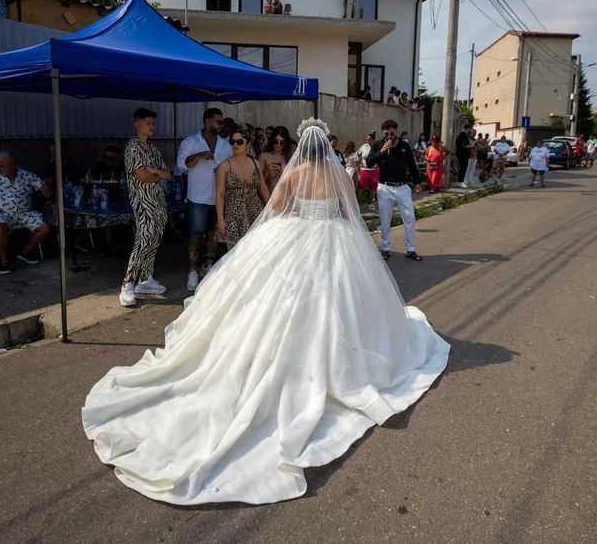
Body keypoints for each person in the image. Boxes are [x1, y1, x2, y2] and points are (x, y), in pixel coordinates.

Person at [82, 118, 450, 505]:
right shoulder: (340, 174)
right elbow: (350, 211)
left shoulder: (294, 173)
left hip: (294, 236)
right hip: (335, 239)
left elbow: (275, 209)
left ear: (300, 149)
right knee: (336, 305)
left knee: (280, 306)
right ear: (325, 146)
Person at [118, 108, 173, 308]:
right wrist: (155, 174)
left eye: (152, 122)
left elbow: (167, 174)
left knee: (155, 237)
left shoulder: (154, 149)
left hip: (158, 200)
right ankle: (127, 284)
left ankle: (145, 278)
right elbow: (142, 176)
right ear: (137, 124)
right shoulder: (133, 146)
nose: (152, 126)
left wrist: (155, 172)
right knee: (143, 239)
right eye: (148, 122)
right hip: (142, 201)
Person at [176, 108, 233, 293]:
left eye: (221, 121)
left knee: (212, 234)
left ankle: (208, 268)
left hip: (218, 197)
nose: (220, 124)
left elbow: (231, 168)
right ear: (207, 121)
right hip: (197, 197)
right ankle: (193, 272)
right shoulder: (191, 141)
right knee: (195, 234)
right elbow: (181, 164)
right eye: (217, 121)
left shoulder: (226, 145)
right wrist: (200, 155)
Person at [0, 151, 52, 274]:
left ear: (11, 165)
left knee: (46, 227)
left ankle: (23, 253)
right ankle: (4, 262)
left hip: (24, 212)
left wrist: (44, 188)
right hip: (2, 212)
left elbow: (42, 185)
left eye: (1, 166)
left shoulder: (26, 175)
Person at [367, 119, 424, 261]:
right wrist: (381, 151)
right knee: (386, 220)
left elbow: (411, 164)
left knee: (409, 218)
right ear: (383, 132)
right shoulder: (378, 145)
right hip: (385, 188)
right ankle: (386, 249)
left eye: (391, 133)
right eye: (386, 133)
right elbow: (369, 162)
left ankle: (411, 250)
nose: (389, 135)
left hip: (403, 188)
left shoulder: (404, 145)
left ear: (396, 131)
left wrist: (417, 182)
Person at [216, 127, 269, 250]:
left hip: (255, 212)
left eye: (239, 142)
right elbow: (219, 194)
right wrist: (220, 220)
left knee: (256, 252)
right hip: (233, 215)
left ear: (248, 144)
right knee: (234, 255)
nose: (235, 145)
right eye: (232, 142)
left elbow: (263, 189)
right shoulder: (223, 166)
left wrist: (269, 212)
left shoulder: (256, 164)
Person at [259, 126, 291, 195]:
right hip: (269, 197)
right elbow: (258, 185)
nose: (278, 145)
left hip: (285, 197)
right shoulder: (263, 156)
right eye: (276, 141)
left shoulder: (290, 158)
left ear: (286, 143)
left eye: (282, 142)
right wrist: (267, 171)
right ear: (272, 140)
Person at [356, 132, 378, 211]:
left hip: (374, 170)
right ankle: (357, 204)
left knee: (373, 188)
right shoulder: (363, 147)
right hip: (364, 170)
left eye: (369, 140)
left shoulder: (377, 147)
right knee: (360, 187)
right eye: (367, 140)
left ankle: (370, 204)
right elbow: (357, 154)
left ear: (373, 140)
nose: (367, 141)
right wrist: (358, 162)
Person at [454, 124, 473, 188]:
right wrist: (472, 145)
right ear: (467, 129)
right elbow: (464, 145)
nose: (470, 130)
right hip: (462, 154)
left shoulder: (464, 135)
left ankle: (460, 181)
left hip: (464, 154)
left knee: (463, 168)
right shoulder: (462, 135)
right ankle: (460, 182)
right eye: (470, 129)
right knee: (463, 168)